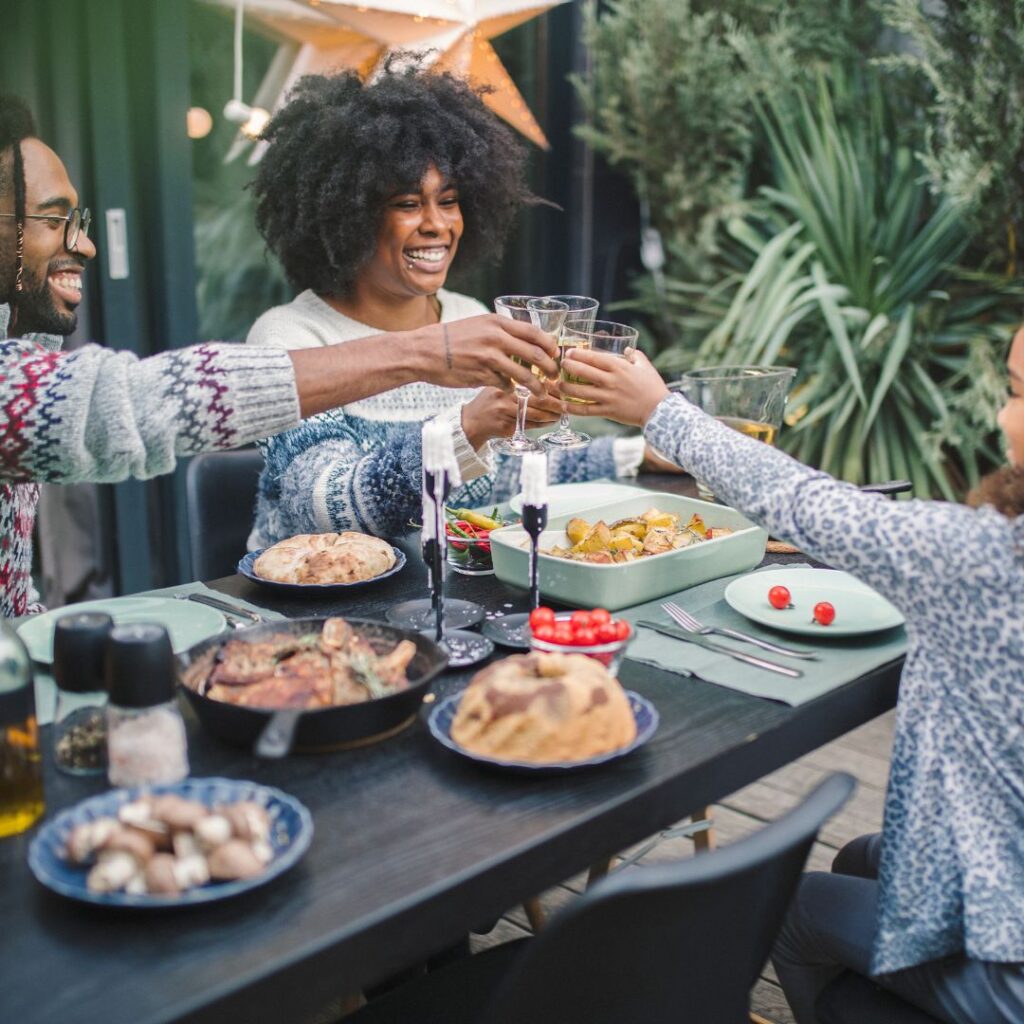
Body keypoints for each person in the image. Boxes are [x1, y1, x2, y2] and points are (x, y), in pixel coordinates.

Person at [558, 339, 1024, 1023]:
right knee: (864, 857)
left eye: (1015, 391)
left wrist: (660, 410)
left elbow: (807, 503)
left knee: (796, 907)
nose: (1001, 414)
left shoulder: (989, 562)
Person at [0, 94, 557, 618]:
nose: (85, 244)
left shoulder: (22, 350)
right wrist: (434, 370)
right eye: (53, 219)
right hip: (316, 622)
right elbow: (119, 403)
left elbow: (16, 599)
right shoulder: (293, 329)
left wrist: (635, 445)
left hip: (447, 604)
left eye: (449, 199)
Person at [244, 66, 648, 547]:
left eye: (450, 200)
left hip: (446, 594)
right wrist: (470, 425)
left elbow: (502, 477)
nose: (437, 224)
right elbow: (327, 513)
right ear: (345, 215)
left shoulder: (469, 316)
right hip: (320, 606)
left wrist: (637, 454)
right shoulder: (291, 339)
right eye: (408, 204)